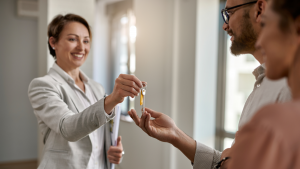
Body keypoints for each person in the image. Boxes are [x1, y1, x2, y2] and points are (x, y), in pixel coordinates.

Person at [128, 0, 291, 168]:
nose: (225, 26)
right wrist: (175, 135)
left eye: (230, 13)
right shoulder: (261, 87)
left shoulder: (289, 90)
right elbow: (225, 163)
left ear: (259, 10)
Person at [28, 14, 144, 169]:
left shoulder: (96, 87)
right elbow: (68, 128)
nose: (81, 48)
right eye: (72, 39)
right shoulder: (42, 86)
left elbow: (98, 136)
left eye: (86, 41)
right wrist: (112, 99)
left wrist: (114, 150)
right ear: (53, 42)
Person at [223, 0, 300, 168]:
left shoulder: (271, 122)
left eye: (267, 24)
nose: (260, 42)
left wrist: (233, 161)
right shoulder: (261, 86)